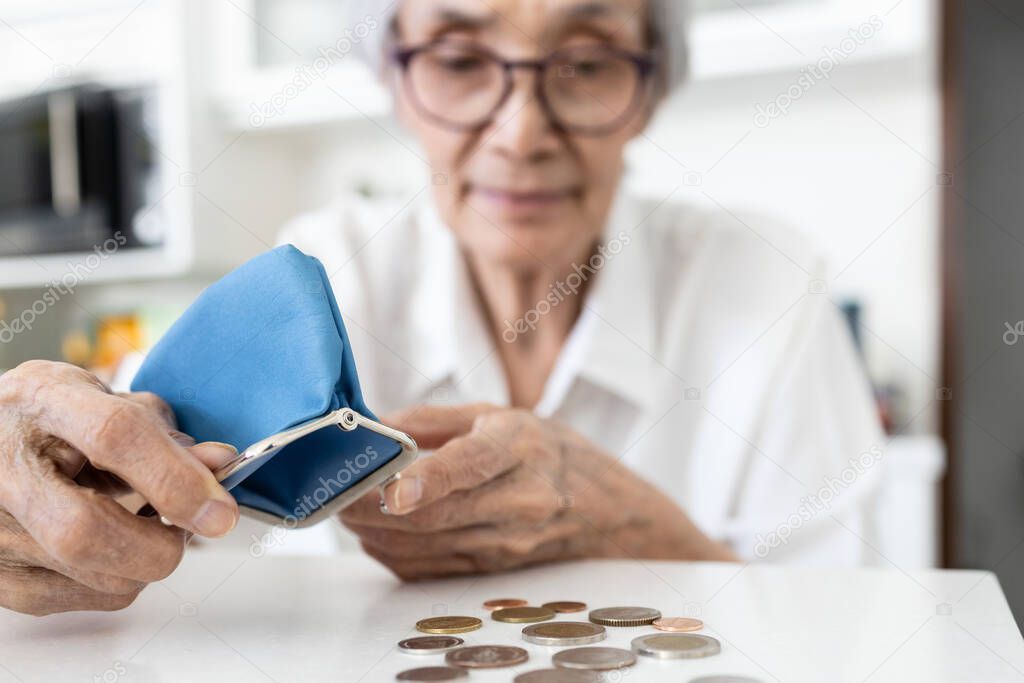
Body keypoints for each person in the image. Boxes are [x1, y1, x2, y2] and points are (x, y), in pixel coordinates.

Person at [0, 0, 883, 615]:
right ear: (393, 77)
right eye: (461, 60)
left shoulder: (768, 286)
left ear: (647, 89)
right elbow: (124, 445)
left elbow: (853, 639)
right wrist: (39, 476)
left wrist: (639, 529)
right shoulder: (323, 276)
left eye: (586, 62)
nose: (522, 131)